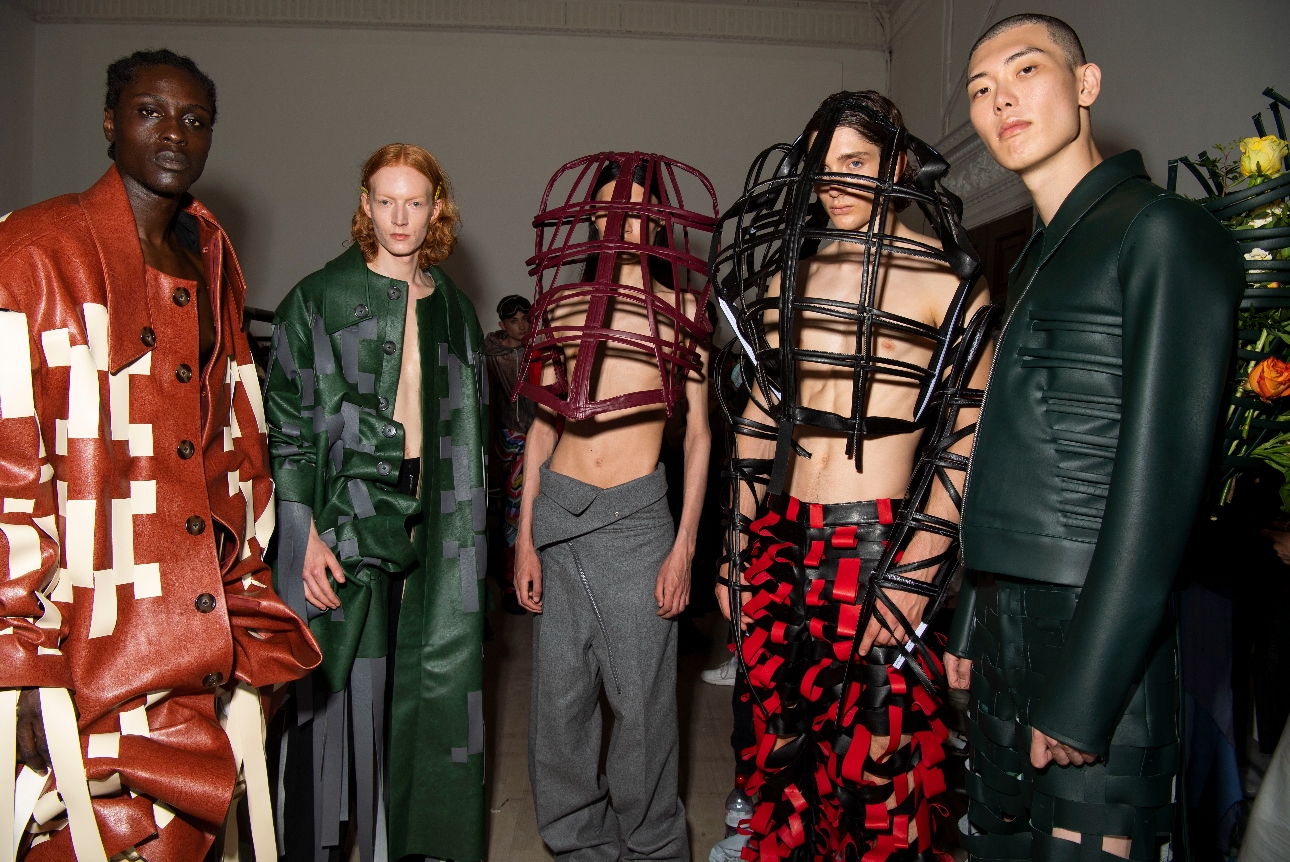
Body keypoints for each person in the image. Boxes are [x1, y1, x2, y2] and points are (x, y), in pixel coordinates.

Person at [0, 49, 321, 862]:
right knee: (70, 832)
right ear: (109, 122)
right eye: (149, 112)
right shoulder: (33, 250)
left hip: (198, 617)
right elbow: (8, 466)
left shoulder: (212, 259)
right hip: (87, 625)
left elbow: (233, 449)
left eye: (194, 118)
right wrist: (21, 657)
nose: (173, 132)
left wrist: (246, 596)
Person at [944, 14, 1244, 862]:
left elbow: (1161, 491)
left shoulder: (1161, 232)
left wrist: (1087, 691)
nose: (1001, 100)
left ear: (1086, 85)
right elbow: (1011, 449)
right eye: (979, 90)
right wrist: (973, 620)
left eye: (1026, 70)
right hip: (1008, 627)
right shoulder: (1041, 254)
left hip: (1096, 637)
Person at [714, 91, 992, 862]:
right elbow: (759, 427)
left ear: (897, 165)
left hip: (881, 544)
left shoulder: (947, 284)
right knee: (785, 756)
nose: (832, 181)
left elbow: (969, 436)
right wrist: (735, 556)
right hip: (783, 543)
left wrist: (915, 572)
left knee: (880, 770)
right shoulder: (784, 281)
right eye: (821, 164)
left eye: (854, 162)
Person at [266, 144, 488, 862]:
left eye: (415, 201)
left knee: (429, 694)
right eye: (385, 200)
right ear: (364, 203)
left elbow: (475, 437)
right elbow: (291, 429)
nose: (400, 216)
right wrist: (301, 536)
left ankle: (415, 846)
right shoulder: (319, 298)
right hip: (344, 517)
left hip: (438, 524)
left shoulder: (454, 309)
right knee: (330, 706)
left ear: (437, 209)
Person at [515, 153, 715, 861]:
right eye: (606, 208)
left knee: (643, 709)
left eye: (633, 206)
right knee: (560, 709)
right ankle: (576, 844)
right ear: (592, 218)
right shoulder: (562, 308)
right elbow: (543, 425)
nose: (618, 219)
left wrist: (685, 546)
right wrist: (524, 537)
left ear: (654, 219)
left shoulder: (686, 312)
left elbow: (696, 435)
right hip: (561, 515)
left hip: (637, 524)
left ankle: (653, 846)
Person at [483, 293, 538, 613]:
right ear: (502, 324)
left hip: (538, 440)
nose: (522, 326)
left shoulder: (539, 352)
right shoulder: (491, 354)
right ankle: (510, 582)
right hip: (505, 442)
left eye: (526, 319)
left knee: (532, 512)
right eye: (514, 321)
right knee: (511, 514)